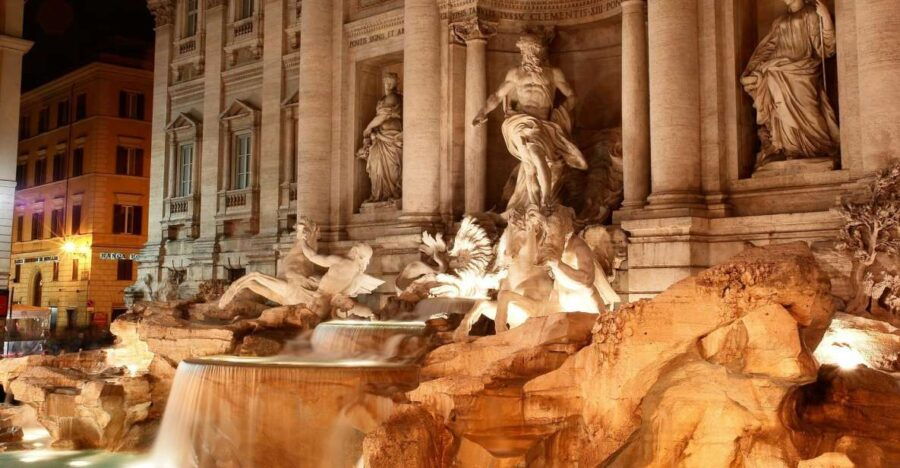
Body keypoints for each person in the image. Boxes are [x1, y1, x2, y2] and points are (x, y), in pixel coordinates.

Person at [473, 33, 587, 214]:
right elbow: (497, 96)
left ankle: (538, 203)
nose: (529, 54)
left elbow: (572, 96)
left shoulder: (553, 73)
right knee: (535, 154)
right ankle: (545, 198)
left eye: (533, 49)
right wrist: (482, 113)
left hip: (542, 124)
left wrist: (561, 113)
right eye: (525, 50)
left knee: (529, 166)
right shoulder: (515, 74)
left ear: (541, 51)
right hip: (520, 122)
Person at [741, 0, 839, 169]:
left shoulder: (811, 13)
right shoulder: (779, 21)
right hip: (776, 69)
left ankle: (818, 147)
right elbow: (767, 48)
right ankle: (789, 148)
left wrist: (827, 20)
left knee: (809, 110)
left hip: (804, 69)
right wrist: (752, 69)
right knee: (779, 107)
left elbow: (824, 48)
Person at [358, 73, 403, 202]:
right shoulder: (383, 99)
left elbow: (383, 116)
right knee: (375, 164)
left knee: (392, 168)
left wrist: (368, 127)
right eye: (386, 82)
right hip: (380, 137)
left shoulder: (393, 97)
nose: (388, 85)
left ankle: (393, 193)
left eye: (391, 82)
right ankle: (378, 194)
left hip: (392, 138)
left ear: (396, 84)